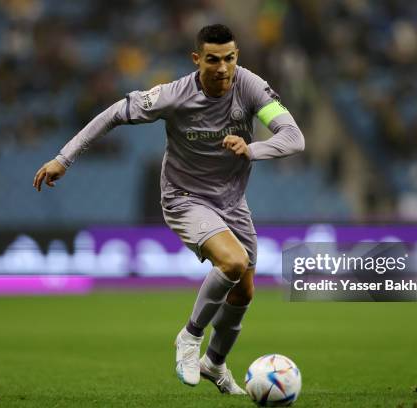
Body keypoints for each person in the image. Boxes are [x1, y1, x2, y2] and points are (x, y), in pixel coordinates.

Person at [33, 24, 304, 395]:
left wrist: (251, 149)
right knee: (234, 262)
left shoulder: (252, 87)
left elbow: (294, 137)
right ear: (197, 59)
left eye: (230, 59)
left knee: (243, 293)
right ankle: (189, 338)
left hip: (232, 200)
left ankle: (215, 363)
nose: (223, 68)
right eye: (213, 60)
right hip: (184, 197)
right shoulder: (173, 95)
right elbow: (115, 112)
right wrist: (64, 158)